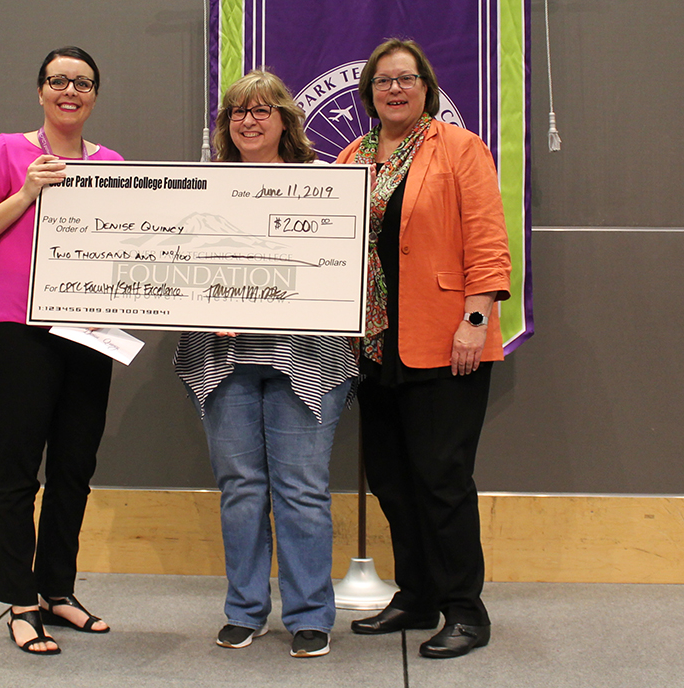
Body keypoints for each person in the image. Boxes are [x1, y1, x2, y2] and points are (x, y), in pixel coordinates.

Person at [335, 39, 511, 659]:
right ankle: (417, 596)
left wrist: (475, 318)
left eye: (406, 79)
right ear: (369, 94)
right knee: (390, 478)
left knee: (442, 479)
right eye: (382, 81)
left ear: (426, 87)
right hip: (375, 346)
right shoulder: (354, 155)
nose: (394, 89)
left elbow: (488, 239)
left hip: (445, 339)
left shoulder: (460, 148)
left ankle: (467, 610)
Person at [175, 70, 358, 659]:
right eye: (236, 113)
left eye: (260, 111)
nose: (248, 122)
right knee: (241, 488)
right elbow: (176, 267)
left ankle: (309, 614)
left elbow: (341, 269)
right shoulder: (202, 187)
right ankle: (246, 610)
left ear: (285, 119)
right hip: (224, 359)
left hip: (306, 358)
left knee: (302, 488)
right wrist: (209, 303)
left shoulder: (326, 185)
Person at [0, 46, 122, 655]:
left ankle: (59, 591)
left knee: (75, 466)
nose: (69, 91)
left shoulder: (113, 163)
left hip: (87, 332)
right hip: (14, 329)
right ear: (41, 91)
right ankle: (20, 600)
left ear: (95, 95)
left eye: (82, 83)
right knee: (19, 465)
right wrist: (25, 194)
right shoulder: (5, 151)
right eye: (58, 81)